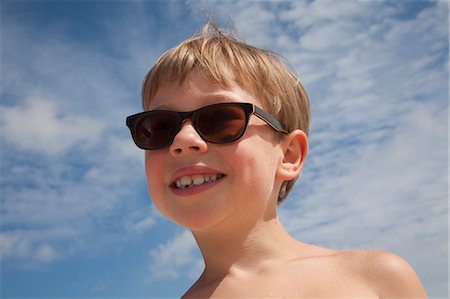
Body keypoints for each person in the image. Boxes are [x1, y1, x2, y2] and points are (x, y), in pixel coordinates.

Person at [126, 21, 428, 298]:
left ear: (289, 155)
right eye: (160, 127)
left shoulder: (375, 279)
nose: (183, 140)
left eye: (220, 119)